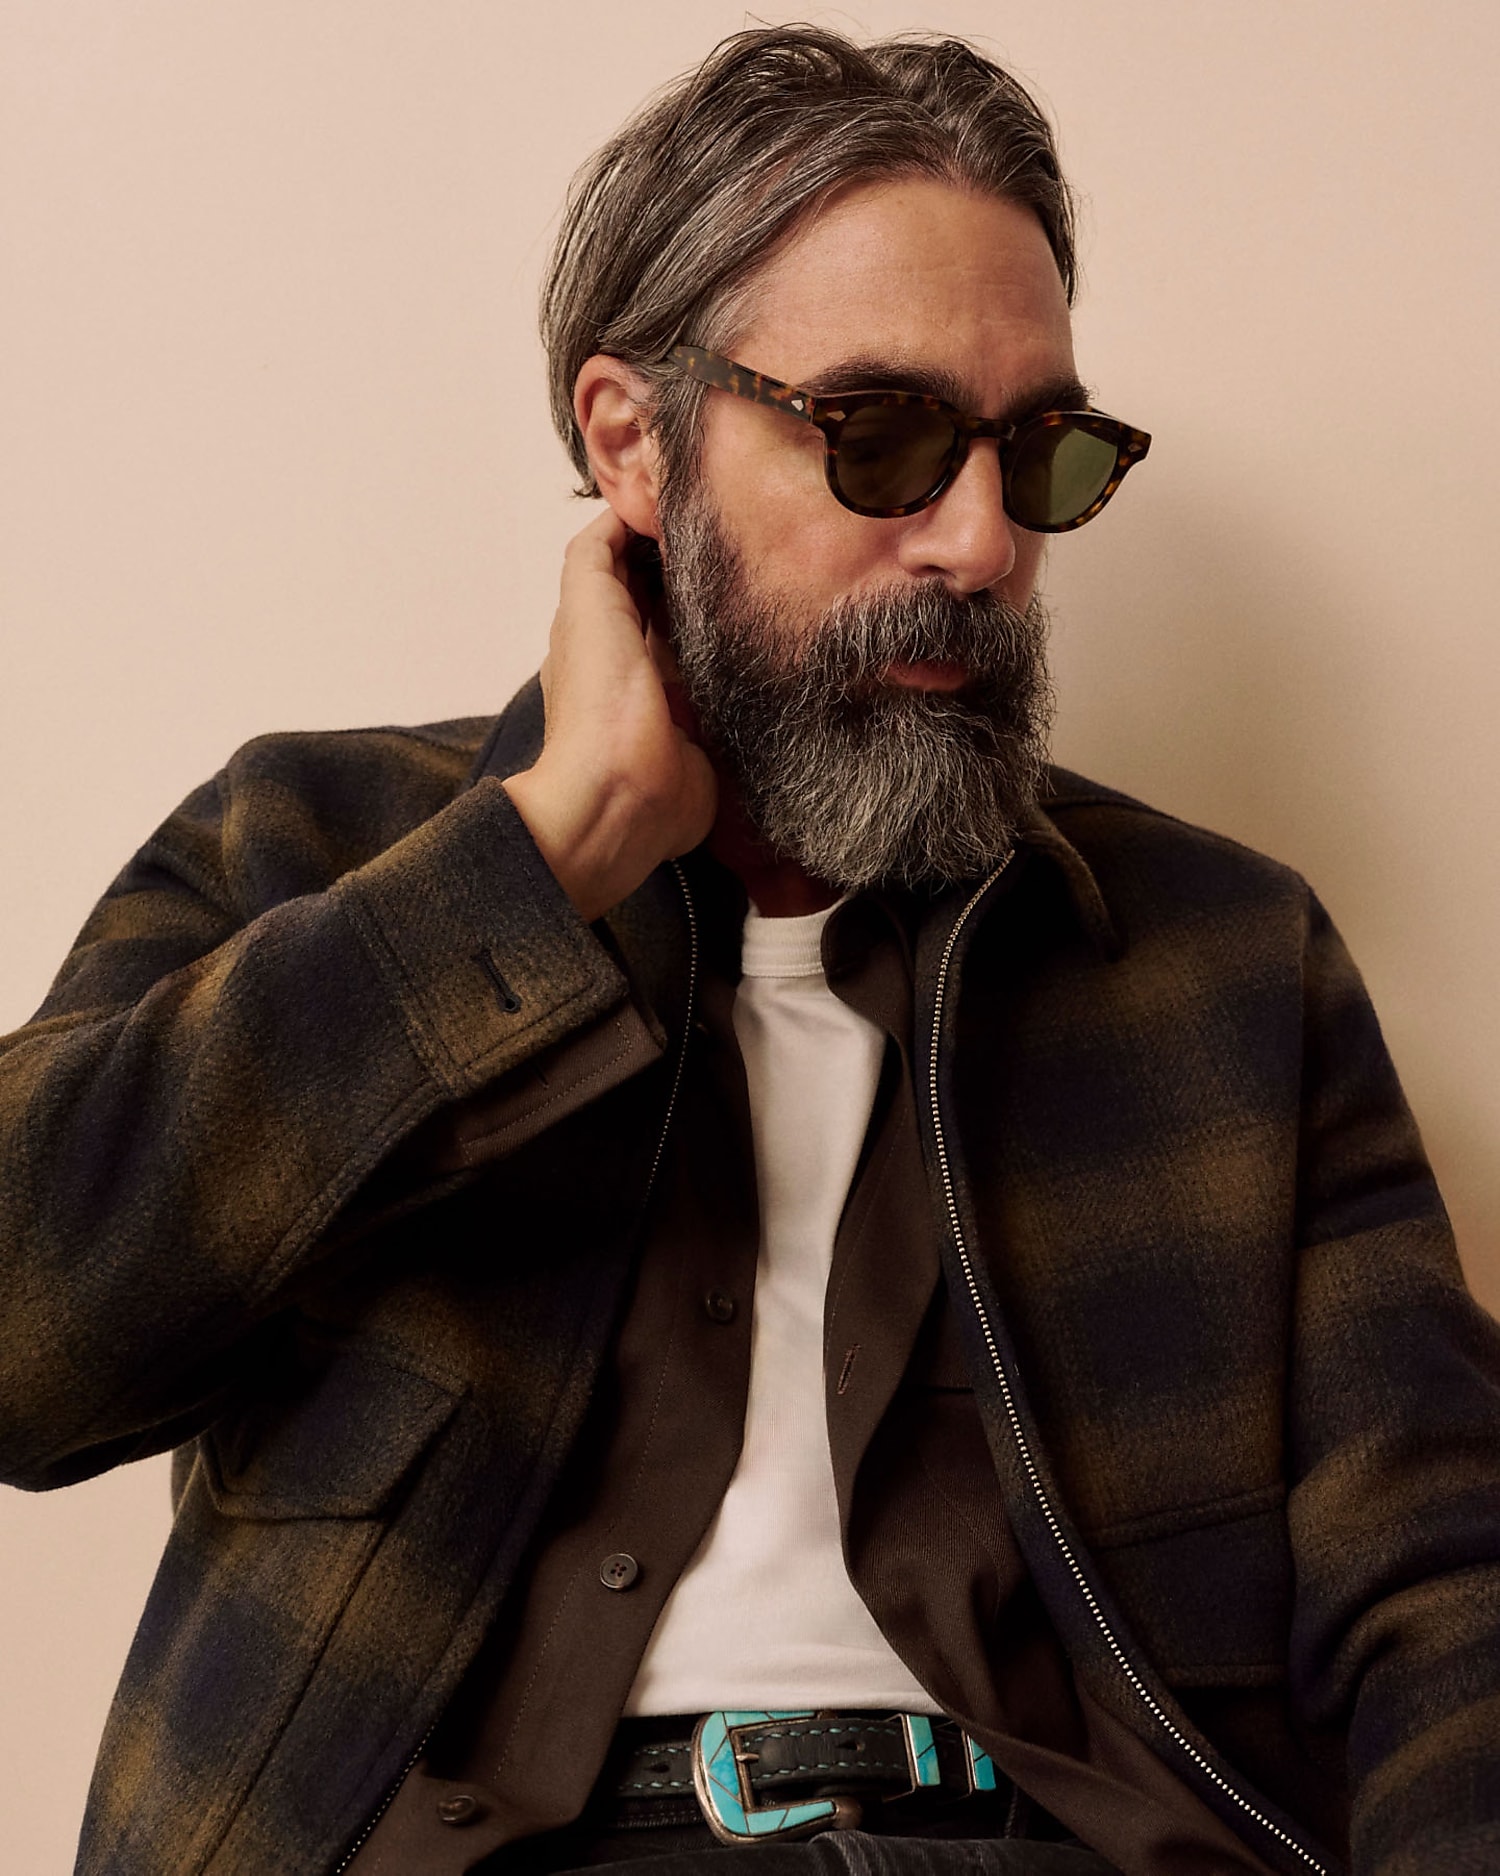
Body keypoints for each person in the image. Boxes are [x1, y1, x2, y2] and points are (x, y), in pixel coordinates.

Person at [1, 25, 1497, 1876]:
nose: (978, 544)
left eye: (1038, 456)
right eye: (883, 437)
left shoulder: (1221, 968)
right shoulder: (310, 853)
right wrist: (543, 860)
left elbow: (1445, 1603)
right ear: (634, 440)